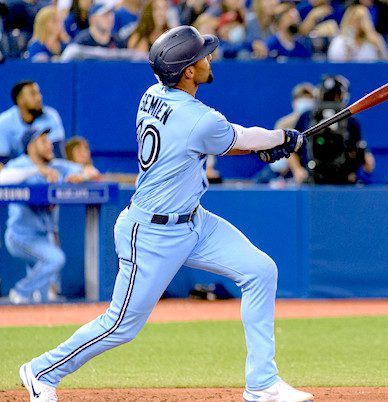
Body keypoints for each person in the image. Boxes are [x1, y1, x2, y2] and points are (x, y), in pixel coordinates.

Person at [18, 25, 313, 402]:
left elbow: (224, 140)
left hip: (193, 221)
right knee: (121, 325)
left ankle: (262, 384)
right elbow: (234, 138)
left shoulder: (153, 93)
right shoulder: (199, 117)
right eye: (202, 55)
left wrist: (265, 145)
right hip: (153, 233)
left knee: (260, 270)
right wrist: (282, 139)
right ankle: (42, 370)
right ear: (187, 71)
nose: (209, 58)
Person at [0, 128, 96, 305]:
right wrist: (37, 171)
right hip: (20, 236)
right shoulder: (20, 164)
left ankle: (26, 305)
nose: (49, 145)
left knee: (43, 298)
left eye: (49, 140)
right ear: (30, 146)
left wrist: (79, 177)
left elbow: (91, 171)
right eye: (43, 141)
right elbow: (2, 177)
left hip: (43, 236)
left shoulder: (56, 165)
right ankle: (20, 292)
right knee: (55, 258)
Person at [292, 75, 374, 184]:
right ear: (340, 95)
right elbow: (368, 164)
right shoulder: (308, 116)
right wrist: (297, 170)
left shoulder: (308, 115)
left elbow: (292, 147)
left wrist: (298, 170)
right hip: (327, 181)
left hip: (333, 181)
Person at [0, 80, 66, 163]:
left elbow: (57, 153)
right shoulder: (4, 122)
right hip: (15, 170)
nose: (39, 98)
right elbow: (1, 160)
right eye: (33, 94)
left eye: (38, 93)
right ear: (20, 100)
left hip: (45, 169)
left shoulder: (50, 116)